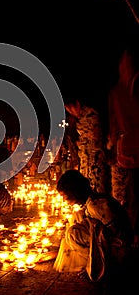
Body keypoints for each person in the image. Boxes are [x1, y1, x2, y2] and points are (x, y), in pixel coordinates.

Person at [53, 169, 133, 282]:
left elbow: (117, 233)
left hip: (119, 249)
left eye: (63, 195)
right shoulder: (91, 201)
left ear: (72, 191)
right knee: (76, 219)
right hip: (114, 243)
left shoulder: (95, 205)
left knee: (72, 234)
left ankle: (98, 266)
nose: (63, 199)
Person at [107, 49, 139, 246]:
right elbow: (114, 123)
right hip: (129, 153)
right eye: (123, 64)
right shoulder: (116, 92)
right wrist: (113, 144)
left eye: (129, 63)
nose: (125, 68)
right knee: (132, 193)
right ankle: (134, 234)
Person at [65, 98, 110, 193]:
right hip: (86, 159)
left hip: (95, 160)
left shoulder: (90, 115)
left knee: (96, 190)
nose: (69, 110)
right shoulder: (79, 118)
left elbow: (95, 136)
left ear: (77, 104)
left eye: (70, 107)